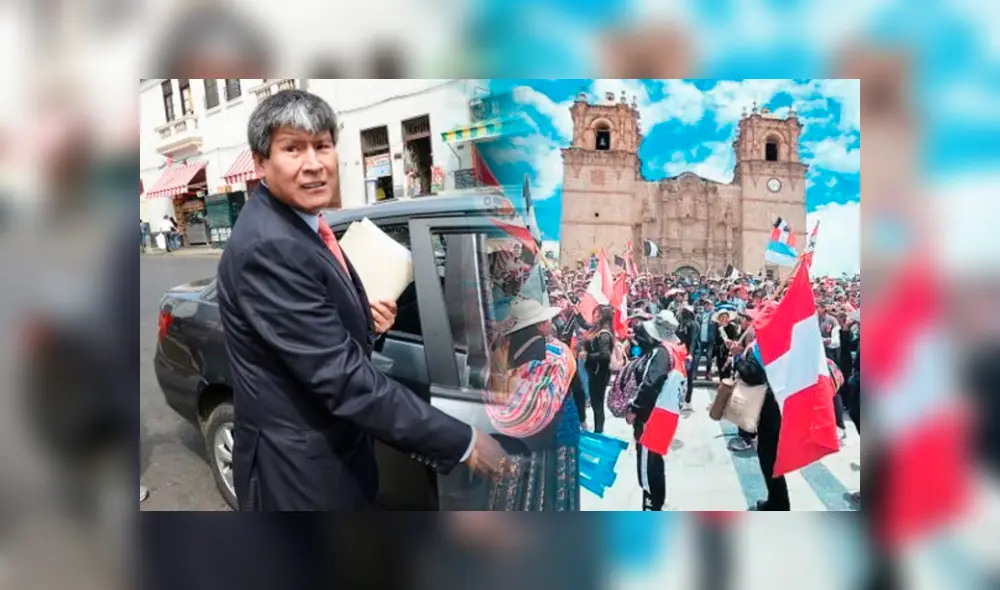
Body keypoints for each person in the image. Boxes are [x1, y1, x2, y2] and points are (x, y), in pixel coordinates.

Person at [216, 89, 505, 510]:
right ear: (261, 162)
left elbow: (311, 329)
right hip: (299, 477)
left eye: (322, 146)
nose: (313, 165)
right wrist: (464, 442)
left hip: (331, 459)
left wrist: (362, 320)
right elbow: (342, 379)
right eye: (293, 149)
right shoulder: (270, 246)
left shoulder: (305, 225)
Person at [483, 298, 581, 510]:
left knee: (516, 490)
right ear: (539, 326)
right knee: (552, 490)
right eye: (545, 321)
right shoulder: (557, 353)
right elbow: (577, 388)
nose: (549, 324)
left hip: (512, 439)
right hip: (555, 436)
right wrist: (581, 417)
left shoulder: (499, 351)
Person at [626, 310, 686, 511]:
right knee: (655, 461)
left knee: (648, 468)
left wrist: (635, 409)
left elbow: (650, 384)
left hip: (650, 418)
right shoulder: (672, 351)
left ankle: (651, 506)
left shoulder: (660, 353)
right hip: (662, 417)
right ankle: (656, 503)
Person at [731, 339, 789, 511]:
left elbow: (751, 374)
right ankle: (776, 500)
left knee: (769, 457)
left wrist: (738, 357)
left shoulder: (767, 344)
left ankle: (779, 504)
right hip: (778, 402)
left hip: (770, 406)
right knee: (770, 457)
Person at [582, 305, 615, 434]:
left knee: (598, 405)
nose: (594, 316)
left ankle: (598, 431)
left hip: (599, 373)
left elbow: (605, 355)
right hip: (593, 371)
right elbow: (584, 324)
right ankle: (598, 430)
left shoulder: (604, 334)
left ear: (602, 317)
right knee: (596, 404)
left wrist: (588, 356)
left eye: (596, 314)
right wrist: (577, 313)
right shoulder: (596, 330)